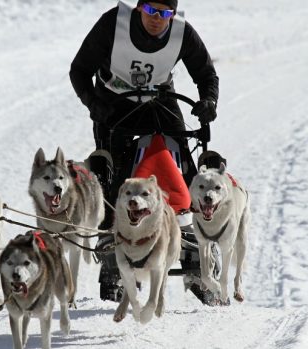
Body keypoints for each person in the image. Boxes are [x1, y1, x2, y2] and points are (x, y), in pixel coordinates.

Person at [69, 0, 222, 304]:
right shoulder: (113, 24)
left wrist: (208, 102)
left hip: (160, 98)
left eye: (165, 13)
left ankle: (195, 236)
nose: (158, 19)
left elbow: (206, 75)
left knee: (184, 159)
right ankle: (111, 242)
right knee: (114, 171)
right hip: (114, 101)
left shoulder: (182, 34)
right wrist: (92, 103)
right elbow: (79, 70)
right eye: (152, 11)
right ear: (139, 8)